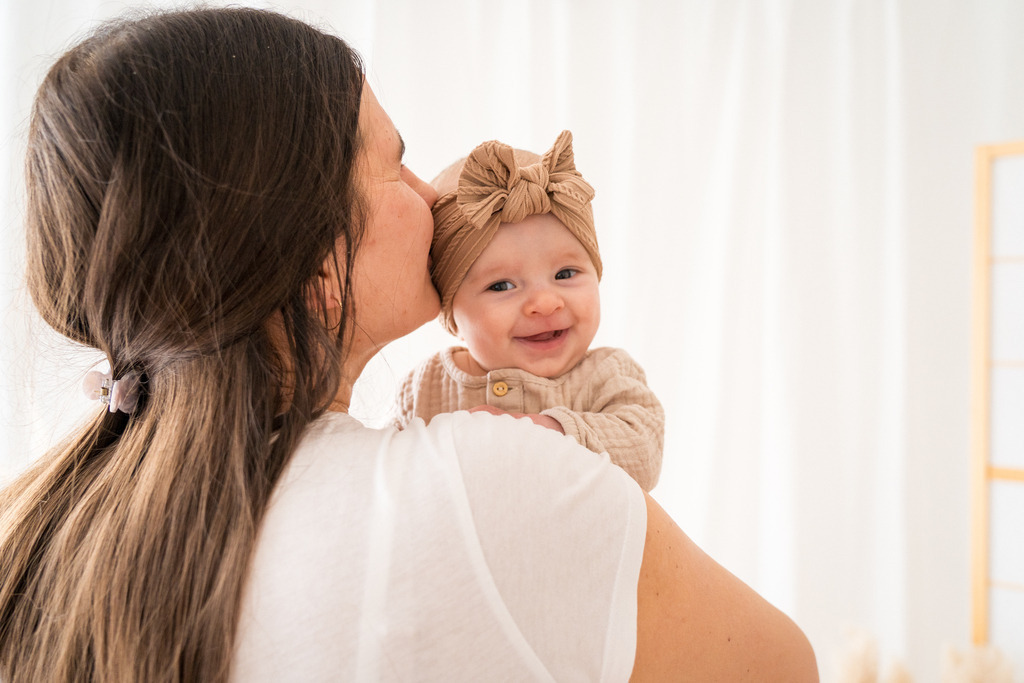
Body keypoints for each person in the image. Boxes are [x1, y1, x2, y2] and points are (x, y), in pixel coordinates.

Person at [0, 7, 818, 682]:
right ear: (320, 258)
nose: (431, 194)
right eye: (396, 167)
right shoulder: (482, 483)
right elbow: (785, 668)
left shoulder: (38, 530)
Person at [394, 131, 664, 491]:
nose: (546, 303)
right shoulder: (424, 388)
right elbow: (391, 482)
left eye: (565, 274)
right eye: (502, 286)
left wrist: (547, 431)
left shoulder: (606, 375)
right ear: (450, 312)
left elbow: (642, 454)